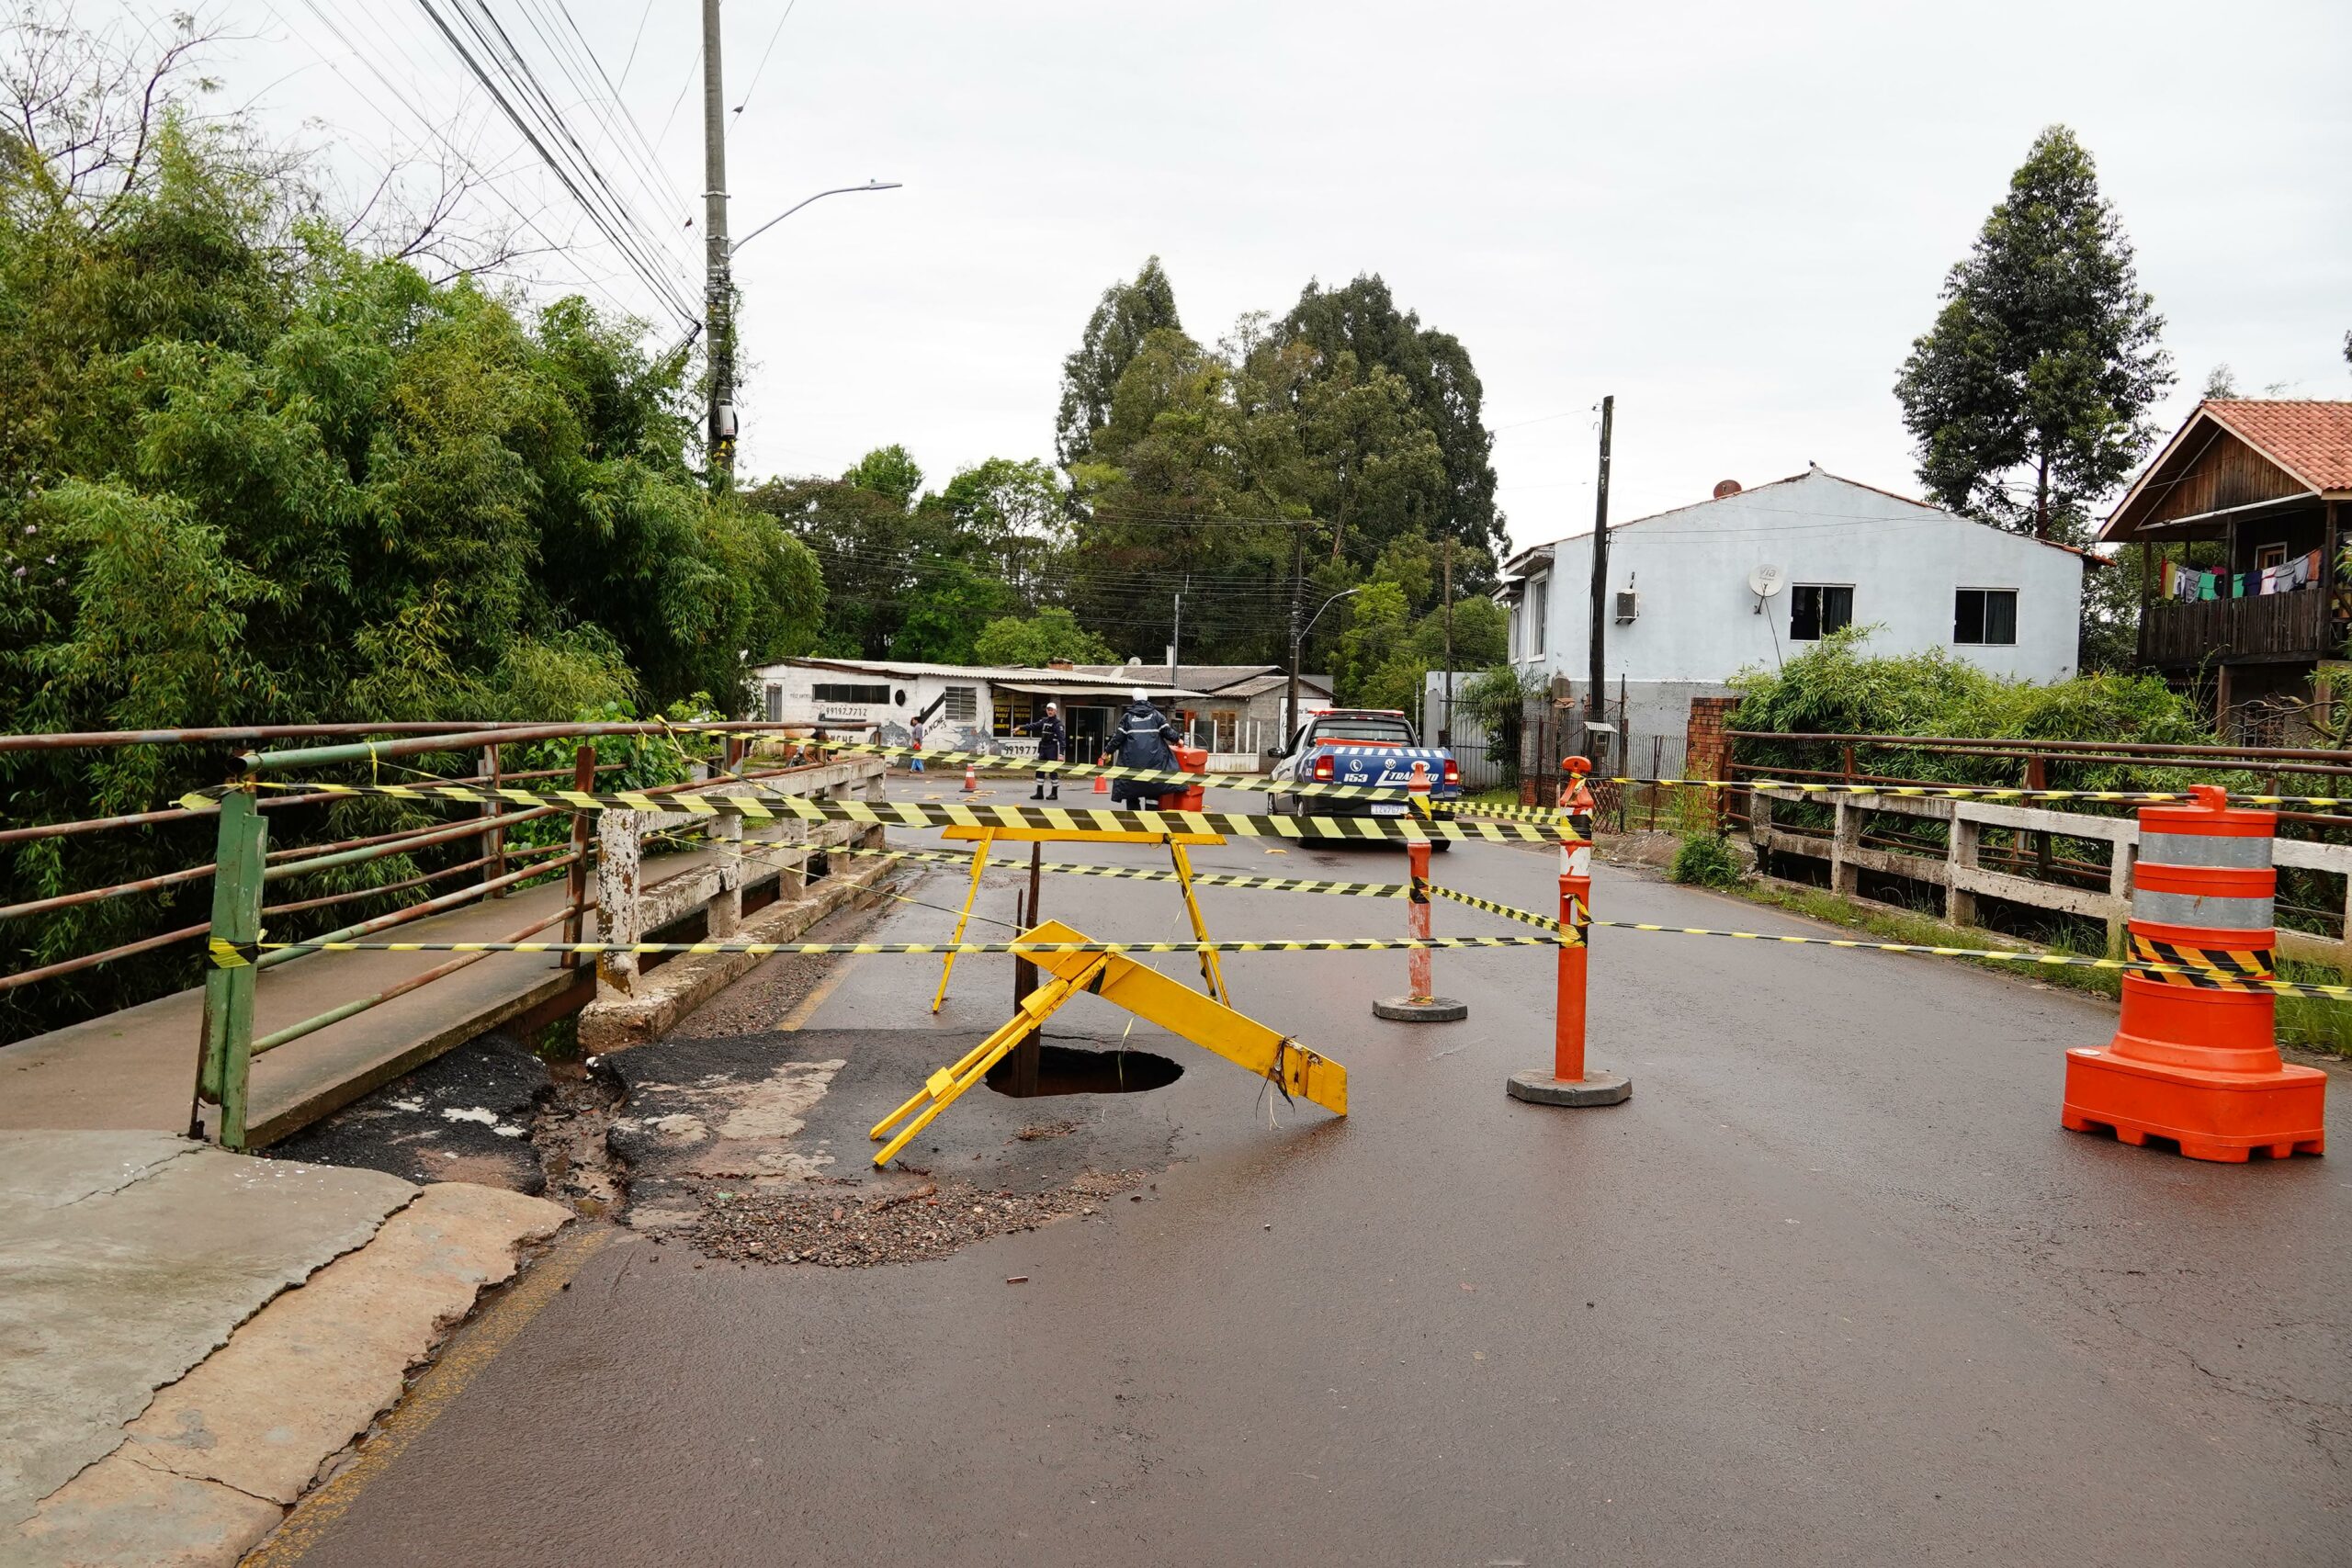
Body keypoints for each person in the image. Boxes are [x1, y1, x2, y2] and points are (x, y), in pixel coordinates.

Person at [1107, 688, 1182, 807]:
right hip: (1154, 763)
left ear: (1134, 700)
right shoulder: (1157, 715)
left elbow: (1118, 738)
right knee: (1152, 791)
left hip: (1131, 763)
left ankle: (1134, 820)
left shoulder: (1127, 718)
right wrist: (1178, 740)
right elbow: (1167, 732)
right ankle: (1151, 820)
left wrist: (1107, 751)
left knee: (1131, 792)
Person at [1016, 701, 1067, 799]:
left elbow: (1062, 740)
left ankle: (1054, 793)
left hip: (1052, 749)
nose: (1050, 711)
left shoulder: (1058, 724)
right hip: (1043, 748)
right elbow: (1033, 726)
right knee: (1040, 770)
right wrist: (1020, 728)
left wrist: (1061, 754)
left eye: (1051, 710)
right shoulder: (1044, 721)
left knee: (1052, 771)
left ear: (1055, 711)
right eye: (1048, 710)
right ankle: (1039, 793)